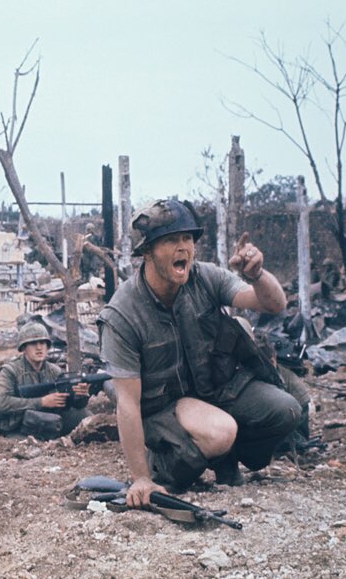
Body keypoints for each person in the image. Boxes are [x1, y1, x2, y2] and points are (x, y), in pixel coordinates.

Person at [97, 198, 300, 507]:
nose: (183, 247)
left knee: (286, 410)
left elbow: (273, 304)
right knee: (219, 431)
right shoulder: (123, 314)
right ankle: (162, 464)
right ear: (147, 251)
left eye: (187, 238)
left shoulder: (204, 277)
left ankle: (226, 457)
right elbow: (127, 404)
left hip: (213, 392)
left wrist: (257, 275)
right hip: (161, 411)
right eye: (170, 240)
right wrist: (140, 477)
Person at [0, 322, 91, 440]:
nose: (39, 348)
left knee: (85, 417)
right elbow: (2, 403)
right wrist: (41, 402)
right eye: (33, 343)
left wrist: (80, 396)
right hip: (18, 424)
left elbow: (69, 404)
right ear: (24, 348)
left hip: (46, 420)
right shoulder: (10, 371)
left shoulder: (54, 371)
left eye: (42, 343)